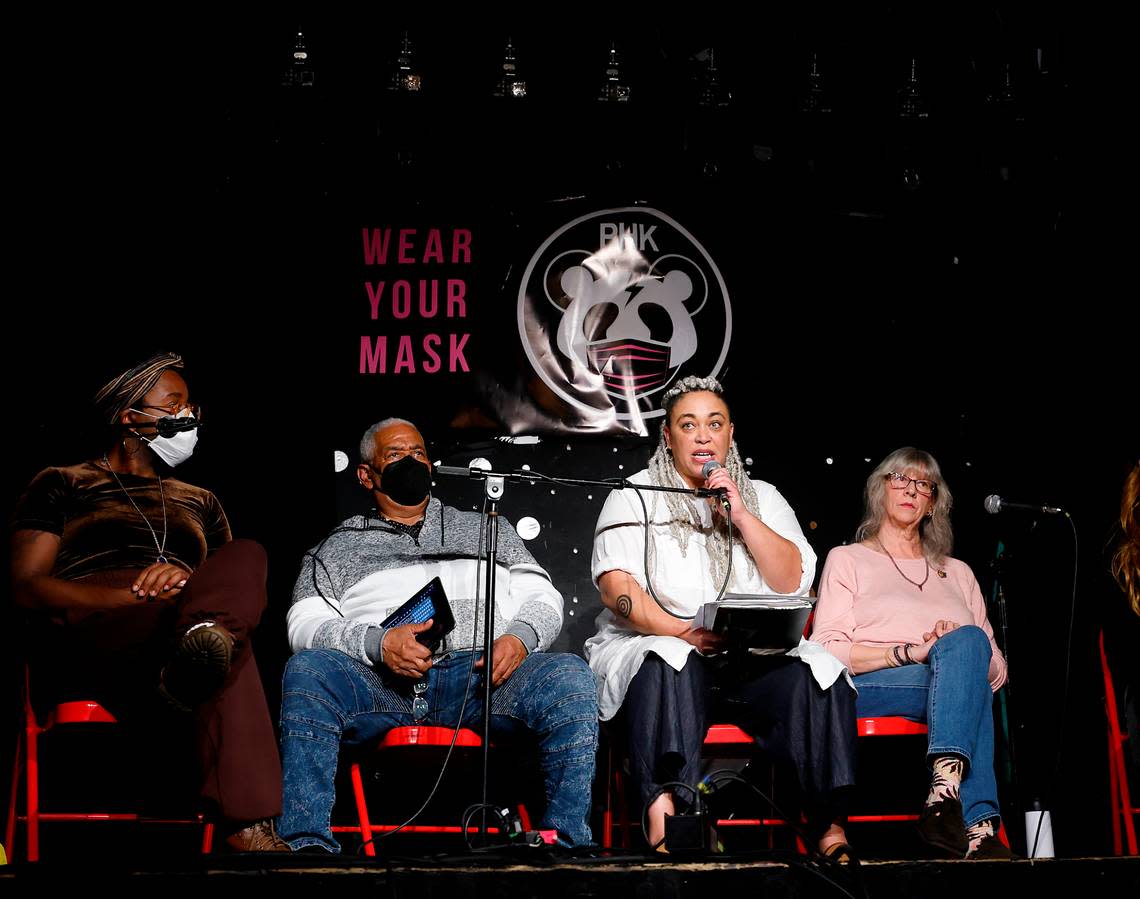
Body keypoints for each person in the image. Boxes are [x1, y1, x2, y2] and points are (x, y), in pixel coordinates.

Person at [277, 417, 598, 851]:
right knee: (308, 670)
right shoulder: (335, 547)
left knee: (568, 675)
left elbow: (542, 594)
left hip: (483, 680)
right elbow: (305, 623)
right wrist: (377, 643)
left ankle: (565, 841)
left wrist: (520, 637)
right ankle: (306, 844)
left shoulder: (488, 528)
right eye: (395, 456)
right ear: (365, 474)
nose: (411, 462)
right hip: (383, 685)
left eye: (418, 454)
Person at [9, 352, 286, 851]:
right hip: (95, 626)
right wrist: (128, 594)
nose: (189, 418)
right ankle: (248, 827)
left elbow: (233, 585)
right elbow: (27, 584)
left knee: (246, 559)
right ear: (129, 417)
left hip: (178, 627)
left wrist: (186, 579)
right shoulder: (64, 482)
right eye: (173, 406)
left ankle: (197, 651)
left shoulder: (201, 499)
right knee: (224, 653)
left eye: (192, 407)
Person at [584, 376, 857, 859]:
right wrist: (684, 632)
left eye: (715, 424)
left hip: (749, 660)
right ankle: (666, 816)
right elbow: (616, 588)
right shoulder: (634, 496)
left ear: (731, 434)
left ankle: (828, 826)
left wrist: (743, 517)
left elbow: (792, 578)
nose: (704, 436)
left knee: (820, 672)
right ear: (668, 436)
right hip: (672, 648)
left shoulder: (763, 498)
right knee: (667, 659)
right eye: (689, 425)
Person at [810, 447, 1013, 859]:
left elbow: (996, 670)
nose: (910, 489)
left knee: (969, 646)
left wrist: (954, 649)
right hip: (866, 687)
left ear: (933, 503)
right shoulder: (847, 559)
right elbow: (826, 649)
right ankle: (979, 826)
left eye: (923, 484)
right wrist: (914, 651)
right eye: (899, 479)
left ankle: (944, 796)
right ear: (879, 488)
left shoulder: (958, 573)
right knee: (967, 685)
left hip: (947, 687)